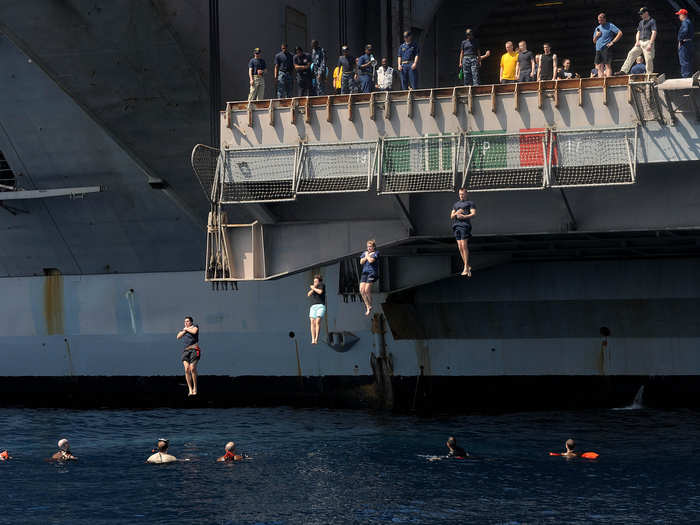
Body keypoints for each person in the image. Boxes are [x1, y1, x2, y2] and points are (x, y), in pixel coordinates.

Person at [619, 7, 657, 75]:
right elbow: (638, 32)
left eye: (642, 14)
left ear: (646, 13)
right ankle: (624, 70)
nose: (641, 15)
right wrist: (637, 41)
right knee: (631, 53)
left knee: (648, 59)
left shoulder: (652, 21)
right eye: (640, 14)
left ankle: (649, 74)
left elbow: (654, 32)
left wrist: (650, 43)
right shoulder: (641, 22)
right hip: (640, 42)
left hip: (648, 41)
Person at [451, 188, 476, 277]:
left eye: (462, 194)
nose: (461, 195)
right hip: (456, 226)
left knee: (464, 245)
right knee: (460, 246)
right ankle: (467, 266)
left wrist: (464, 216)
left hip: (465, 225)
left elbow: (473, 214)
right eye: (460, 194)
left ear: (466, 194)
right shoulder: (456, 204)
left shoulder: (470, 203)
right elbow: (451, 216)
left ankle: (465, 266)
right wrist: (457, 212)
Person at [593, 12, 623, 78]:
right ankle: (601, 81)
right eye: (598, 20)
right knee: (598, 66)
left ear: (605, 19)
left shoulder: (610, 25)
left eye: (601, 20)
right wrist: (597, 36)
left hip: (606, 47)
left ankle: (608, 81)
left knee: (607, 65)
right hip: (598, 49)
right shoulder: (597, 28)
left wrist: (612, 42)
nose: (599, 22)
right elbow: (594, 41)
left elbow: (620, 33)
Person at [177, 316, 200, 396]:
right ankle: (190, 389)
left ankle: (195, 388)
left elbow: (194, 332)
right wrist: (184, 330)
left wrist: (186, 329)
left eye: (187, 321)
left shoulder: (195, 326)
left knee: (192, 368)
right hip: (186, 351)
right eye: (184, 321)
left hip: (194, 350)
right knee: (187, 369)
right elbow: (178, 336)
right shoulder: (184, 330)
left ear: (191, 322)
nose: (185, 323)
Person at [359, 240, 379, 316]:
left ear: (373, 247)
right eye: (368, 247)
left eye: (370, 247)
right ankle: (368, 306)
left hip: (372, 273)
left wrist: (367, 256)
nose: (369, 248)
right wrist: (366, 256)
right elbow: (361, 262)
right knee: (361, 290)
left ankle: (370, 304)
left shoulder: (376, 253)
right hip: (365, 273)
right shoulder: (364, 253)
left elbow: (371, 260)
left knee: (367, 289)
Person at [307, 274, 326, 344]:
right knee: (312, 322)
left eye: (316, 281)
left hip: (320, 306)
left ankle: (316, 338)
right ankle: (312, 338)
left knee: (317, 321)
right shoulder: (314, 288)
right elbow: (308, 294)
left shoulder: (321, 285)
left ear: (319, 281)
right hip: (313, 306)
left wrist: (314, 288)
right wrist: (312, 289)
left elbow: (320, 292)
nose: (314, 283)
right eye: (314, 281)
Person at [677, 8, 695, 78]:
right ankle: (689, 75)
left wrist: (680, 40)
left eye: (679, 15)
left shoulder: (685, 22)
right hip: (689, 42)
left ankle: (685, 76)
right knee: (688, 60)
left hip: (684, 43)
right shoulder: (689, 22)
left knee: (684, 60)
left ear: (683, 15)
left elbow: (684, 31)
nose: (679, 17)